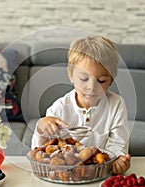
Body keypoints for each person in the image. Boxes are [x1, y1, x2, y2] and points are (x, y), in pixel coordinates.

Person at [31, 35, 131, 174]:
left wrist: (118, 161)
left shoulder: (116, 105)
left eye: (101, 81)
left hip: (100, 175)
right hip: (66, 174)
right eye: (84, 79)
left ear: (111, 80)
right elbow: (40, 153)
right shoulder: (59, 108)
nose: (91, 87)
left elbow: (118, 145)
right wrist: (41, 129)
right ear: (71, 75)